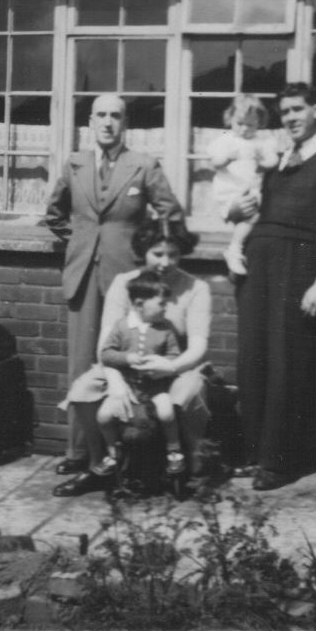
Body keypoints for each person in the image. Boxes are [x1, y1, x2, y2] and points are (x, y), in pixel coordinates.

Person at [45, 93, 184, 477]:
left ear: (126, 123)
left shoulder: (143, 165)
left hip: (127, 278)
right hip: (83, 275)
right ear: (90, 121)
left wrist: (148, 255)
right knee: (81, 363)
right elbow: (54, 214)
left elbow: (171, 214)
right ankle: (80, 453)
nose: (108, 122)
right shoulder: (75, 163)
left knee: (129, 360)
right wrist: (80, 241)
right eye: (101, 115)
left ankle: (129, 454)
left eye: (116, 116)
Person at [233, 83, 316, 492]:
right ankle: (254, 452)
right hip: (260, 270)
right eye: (284, 112)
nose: (290, 118)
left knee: (288, 361)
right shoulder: (278, 160)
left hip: (300, 266)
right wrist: (236, 243)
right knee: (254, 357)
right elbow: (249, 211)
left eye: (298, 109)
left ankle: (281, 461)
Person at [53, 217, 211, 497]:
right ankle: (99, 465)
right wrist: (115, 382)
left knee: (186, 392)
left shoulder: (195, 288)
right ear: (143, 251)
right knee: (84, 388)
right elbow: (106, 343)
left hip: (176, 366)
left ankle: (190, 468)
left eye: (173, 255)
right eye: (157, 254)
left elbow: (198, 346)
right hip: (126, 367)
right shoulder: (124, 283)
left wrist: (171, 366)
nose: (165, 262)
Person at [96, 270, 186, 477]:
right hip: (127, 387)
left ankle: (174, 450)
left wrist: (162, 364)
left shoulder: (165, 329)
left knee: (166, 412)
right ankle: (113, 452)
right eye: (161, 304)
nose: (166, 308)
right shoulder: (122, 326)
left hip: (155, 386)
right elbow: (106, 354)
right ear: (138, 304)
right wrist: (127, 358)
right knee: (103, 416)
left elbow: (174, 355)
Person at [207, 94, 279, 278]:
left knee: (253, 216)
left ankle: (234, 249)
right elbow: (214, 163)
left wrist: (263, 162)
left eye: (250, 125)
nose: (244, 129)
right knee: (249, 216)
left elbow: (273, 161)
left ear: (259, 123)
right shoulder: (226, 139)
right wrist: (227, 158)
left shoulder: (261, 142)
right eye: (239, 123)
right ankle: (235, 249)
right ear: (230, 118)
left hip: (250, 189)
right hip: (229, 189)